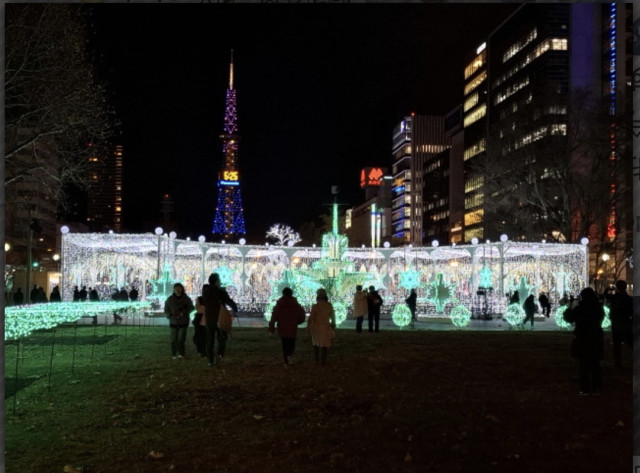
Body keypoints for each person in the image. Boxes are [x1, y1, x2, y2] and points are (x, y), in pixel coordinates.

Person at [563, 287, 605, 395]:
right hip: (595, 336)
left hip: (583, 337)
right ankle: (597, 386)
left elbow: (569, 318)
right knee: (595, 363)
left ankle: (585, 387)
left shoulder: (580, 308)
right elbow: (601, 318)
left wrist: (570, 307)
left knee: (584, 364)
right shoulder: (598, 307)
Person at [202, 273, 238, 367]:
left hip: (209, 318)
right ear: (216, 282)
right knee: (222, 338)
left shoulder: (205, 291)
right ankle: (220, 355)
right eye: (219, 281)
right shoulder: (220, 291)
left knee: (210, 340)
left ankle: (210, 360)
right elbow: (228, 301)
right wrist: (235, 308)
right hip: (220, 317)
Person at [269, 287, 306, 366]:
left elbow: (274, 317)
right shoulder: (296, 305)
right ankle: (290, 356)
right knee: (291, 342)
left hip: (282, 327)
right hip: (292, 327)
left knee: (284, 344)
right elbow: (302, 316)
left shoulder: (279, 305)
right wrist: (297, 322)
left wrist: (272, 327)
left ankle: (286, 360)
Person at [164, 282, 194, 359]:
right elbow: (166, 309)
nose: (177, 290)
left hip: (183, 321)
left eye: (179, 288)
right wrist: (169, 316)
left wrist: (184, 312)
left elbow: (191, 307)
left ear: (182, 289)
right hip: (173, 321)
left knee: (181, 338)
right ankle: (174, 353)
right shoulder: (170, 299)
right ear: (174, 290)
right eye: (176, 289)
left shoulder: (186, 299)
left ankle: (181, 353)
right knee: (174, 339)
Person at [306, 288, 336, 366]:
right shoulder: (329, 306)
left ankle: (316, 359)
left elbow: (311, 318)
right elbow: (333, 317)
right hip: (325, 327)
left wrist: (308, 327)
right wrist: (333, 325)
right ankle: (323, 361)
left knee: (316, 344)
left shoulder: (315, 306)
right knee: (324, 345)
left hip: (316, 327)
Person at [607, 280, 632, 368]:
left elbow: (605, 295)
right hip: (626, 323)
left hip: (616, 323)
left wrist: (609, 289)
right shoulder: (628, 299)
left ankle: (618, 363)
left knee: (617, 345)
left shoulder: (614, 298)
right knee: (630, 342)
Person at [192, 286, 208, 357]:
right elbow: (196, 307)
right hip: (201, 320)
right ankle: (202, 351)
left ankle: (202, 351)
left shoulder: (200, 299)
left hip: (202, 320)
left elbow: (196, 307)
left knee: (201, 337)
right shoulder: (200, 299)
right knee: (201, 337)